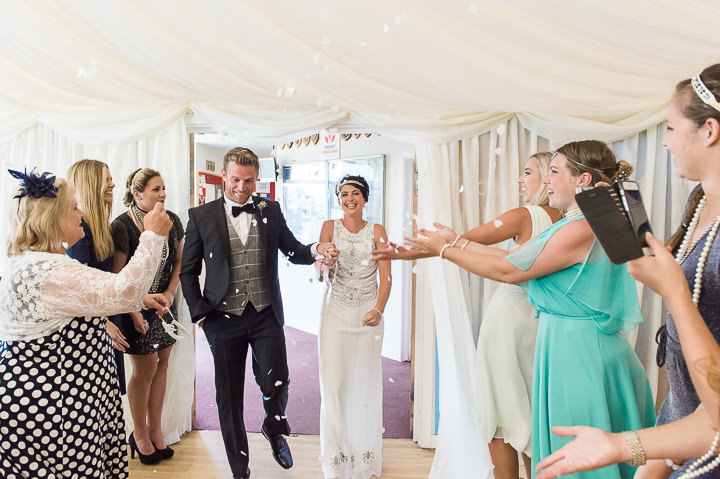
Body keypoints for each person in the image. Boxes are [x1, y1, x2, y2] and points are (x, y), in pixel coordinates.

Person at [402, 140, 655, 478]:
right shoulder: (583, 222)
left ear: (582, 180)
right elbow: (515, 259)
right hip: (571, 346)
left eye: (554, 171)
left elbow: (510, 271)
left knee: (580, 461)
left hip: (583, 355)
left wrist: (446, 250)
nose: (547, 180)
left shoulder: (582, 227)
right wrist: (456, 242)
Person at [371, 153, 562, 479]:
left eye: (528, 172)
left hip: (509, 324)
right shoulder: (568, 219)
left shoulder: (525, 215)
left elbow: (464, 241)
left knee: (500, 422)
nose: (521, 179)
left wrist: (404, 253)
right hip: (546, 325)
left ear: (546, 176)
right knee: (535, 418)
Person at [0, 168, 171, 478]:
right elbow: (123, 291)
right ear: (53, 218)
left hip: (66, 402)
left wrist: (141, 299)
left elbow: (89, 295)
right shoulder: (49, 271)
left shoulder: (39, 263)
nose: (81, 213)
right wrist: (153, 235)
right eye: (73, 207)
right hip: (54, 412)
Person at [179, 146, 339, 479]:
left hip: (265, 313)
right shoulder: (201, 216)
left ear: (257, 178)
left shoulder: (270, 209)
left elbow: (293, 250)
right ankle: (240, 469)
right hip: (221, 318)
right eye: (236, 179)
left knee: (277, 379)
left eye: (249, 180)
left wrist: (317, 249)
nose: (241, 187)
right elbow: (187, 271)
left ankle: (274, 426)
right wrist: (201, 316)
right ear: (224, 175)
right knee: (229, 396)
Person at [533, 233, 720, 479]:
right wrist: (623, 446)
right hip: (683, 444)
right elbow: (694, 411)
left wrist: (675, 293)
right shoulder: (699, 204)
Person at [317, 175, 392, 479]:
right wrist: (324, 262)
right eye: (343, 194)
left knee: (364, 384)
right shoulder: (328, 227)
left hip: (367, 314)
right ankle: (336, 459)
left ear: (365, 198)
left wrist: (378, 309)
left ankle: (364, 458)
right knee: (334, 385)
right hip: (334, 311)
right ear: (338, 198)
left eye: (355, 193)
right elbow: (321, 266)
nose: (349, 198)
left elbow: (386, 277)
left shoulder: (378, 231)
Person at [111, 168, 185, 465]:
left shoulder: (173, 220)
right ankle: (139, 433)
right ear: (137, 194)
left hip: (165, 304)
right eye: (156, 189)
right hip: (135, 307)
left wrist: (169, 292)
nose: (163, 194)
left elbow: (180, 260)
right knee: (144, 371)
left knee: (163, 365)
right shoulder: (121, 226)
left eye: (163, 187)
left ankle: (156, 431)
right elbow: (117, 277)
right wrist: (132, 310)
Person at [65, 159, 129, 394]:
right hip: (93, 327)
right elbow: (80, 289)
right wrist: (104, 324)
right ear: (91, 184)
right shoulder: (81, 230)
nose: (113, 184)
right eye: (107, 179)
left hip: (106, 321)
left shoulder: (102, 227)